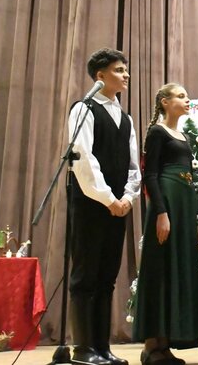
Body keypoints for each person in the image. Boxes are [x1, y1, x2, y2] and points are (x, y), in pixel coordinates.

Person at [68, 48, 140, 365]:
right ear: (100, 76)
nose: (126, 75)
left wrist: (127, 197)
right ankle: (83, 349)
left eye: (125, 70)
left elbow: (133, 166)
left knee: (107, 277)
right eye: (119, 70)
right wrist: (108, 198)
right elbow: (83, 158)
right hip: (91, 204)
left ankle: (102, 347)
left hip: (118, 207)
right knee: (86, 275)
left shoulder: (126, 118)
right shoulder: (83, 109)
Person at [133, 83, 198, 365]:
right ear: (164, 102)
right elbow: (150, 175)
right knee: (159, 270)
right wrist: (161, 212)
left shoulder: (183, 136)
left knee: (175, 269)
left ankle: (165, 344)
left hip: (183, 206)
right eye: (181, 96)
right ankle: (151, 345)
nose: (187, 99)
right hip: (167, 205)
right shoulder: (157, 132)